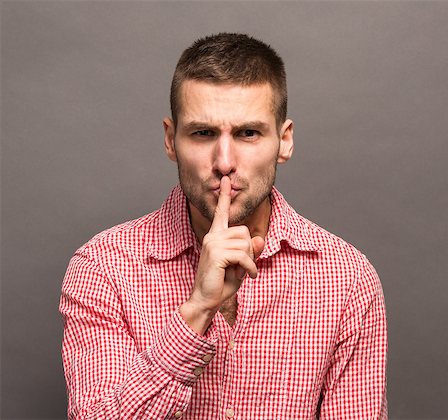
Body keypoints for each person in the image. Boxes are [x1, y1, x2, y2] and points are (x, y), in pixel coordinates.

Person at [60, 33, 388, 419]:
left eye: (248, 133)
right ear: (171, 140)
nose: (225, 162)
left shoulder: (347, 280)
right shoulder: (103, 267)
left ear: (284, 141)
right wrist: (198, 310)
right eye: (203, 133)